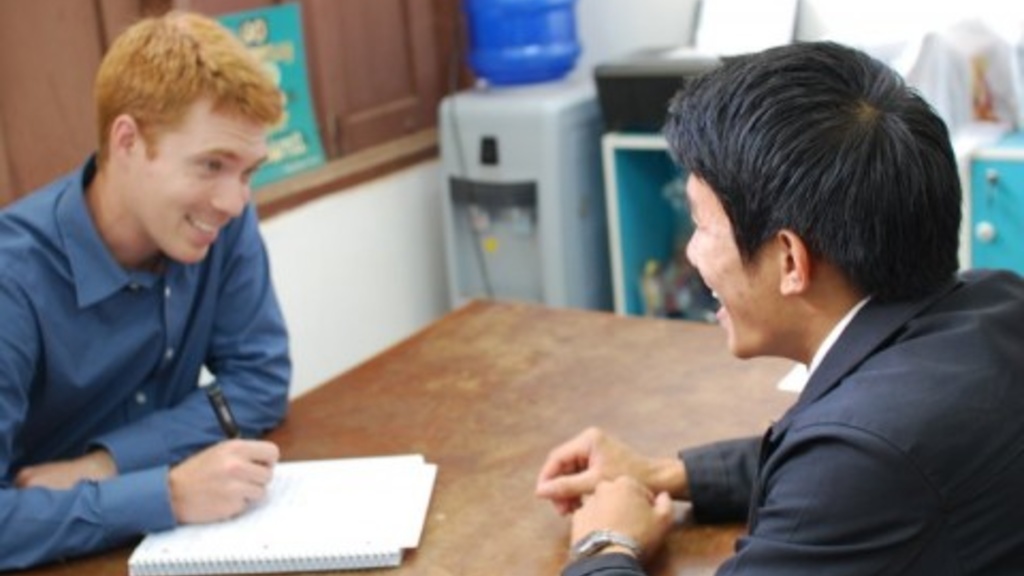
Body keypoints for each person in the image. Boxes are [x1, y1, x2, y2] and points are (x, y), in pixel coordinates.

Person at [536, 41, 1024, 575]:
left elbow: (849, 462)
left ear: (791, 259)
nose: (692, 254)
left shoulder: (863, 454)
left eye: (701, 227)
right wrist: (665, 473)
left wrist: (604, 543)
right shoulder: (994, 302)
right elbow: (832, 450)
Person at [0, 11, 291, 570]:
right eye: (211, 164)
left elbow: (261, 378)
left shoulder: (218, 222)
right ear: (128, 141)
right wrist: (169, 495)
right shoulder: (13, 282)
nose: (233, 201)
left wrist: (108, 465)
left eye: (249, 171)